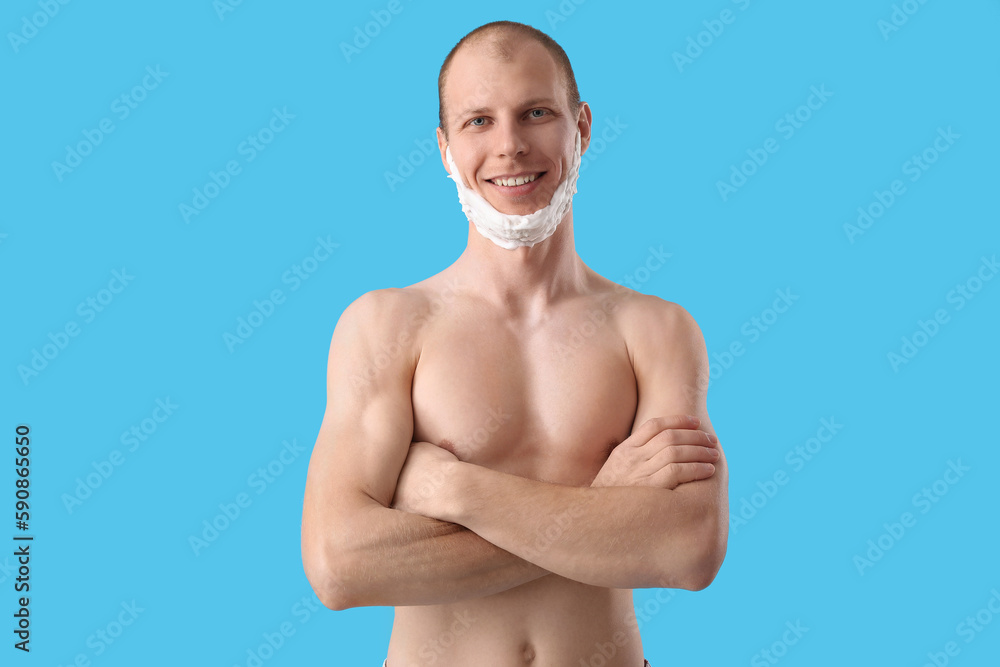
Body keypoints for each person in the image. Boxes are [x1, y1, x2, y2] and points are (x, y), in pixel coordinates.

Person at [301, 20, 728, 667]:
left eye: (535, 113)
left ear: (580, 127)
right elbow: (340, 564)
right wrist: (603, 507)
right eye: (478, 121)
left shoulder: (657, 329)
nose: (510, 146)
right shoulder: (386, 325)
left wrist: (455, 490)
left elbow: (688, 548)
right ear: (444, 147)